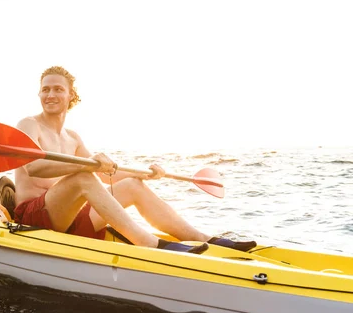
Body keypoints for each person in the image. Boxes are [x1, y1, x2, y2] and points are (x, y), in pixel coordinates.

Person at [13, 65, 256, 254]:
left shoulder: (72, 137)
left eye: (58, 89)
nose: (50, 94)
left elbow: (102, 174)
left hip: (68, 219)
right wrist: (86, 165)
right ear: (39, 94)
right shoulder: (29, 125)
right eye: (45, 89)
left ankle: (203, 239)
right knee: (82, 175)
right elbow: (33, 167)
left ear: (70, 95)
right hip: (33, 218)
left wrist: (144, 173)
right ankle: (147, 243)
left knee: (131, 185)